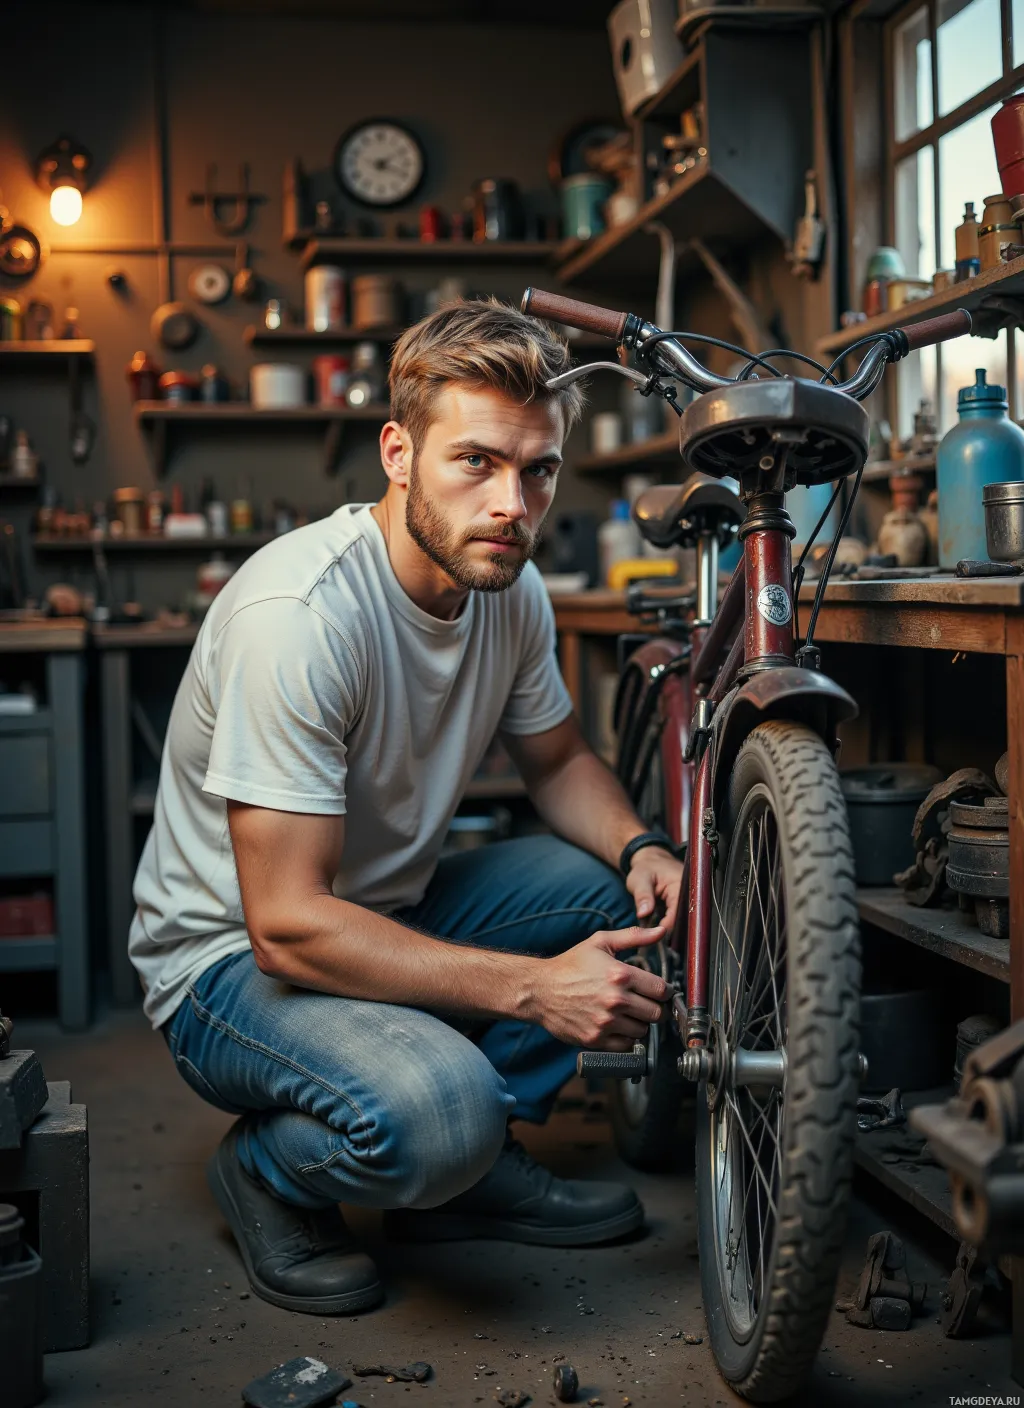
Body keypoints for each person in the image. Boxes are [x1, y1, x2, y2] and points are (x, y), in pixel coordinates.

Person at [129, 298, 683, 1316]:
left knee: (602, 885)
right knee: (441, 1112)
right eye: (476, 461)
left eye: (538, 469)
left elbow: (557, 760)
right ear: (398, 452)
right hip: (227, 965)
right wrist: (529, 990)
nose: (513, 502)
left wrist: (647, 846)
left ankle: (457, 1189)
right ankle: (270, 1171)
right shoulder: (298, 618)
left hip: (382, 910)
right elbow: (286, 926)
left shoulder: (508, 588)